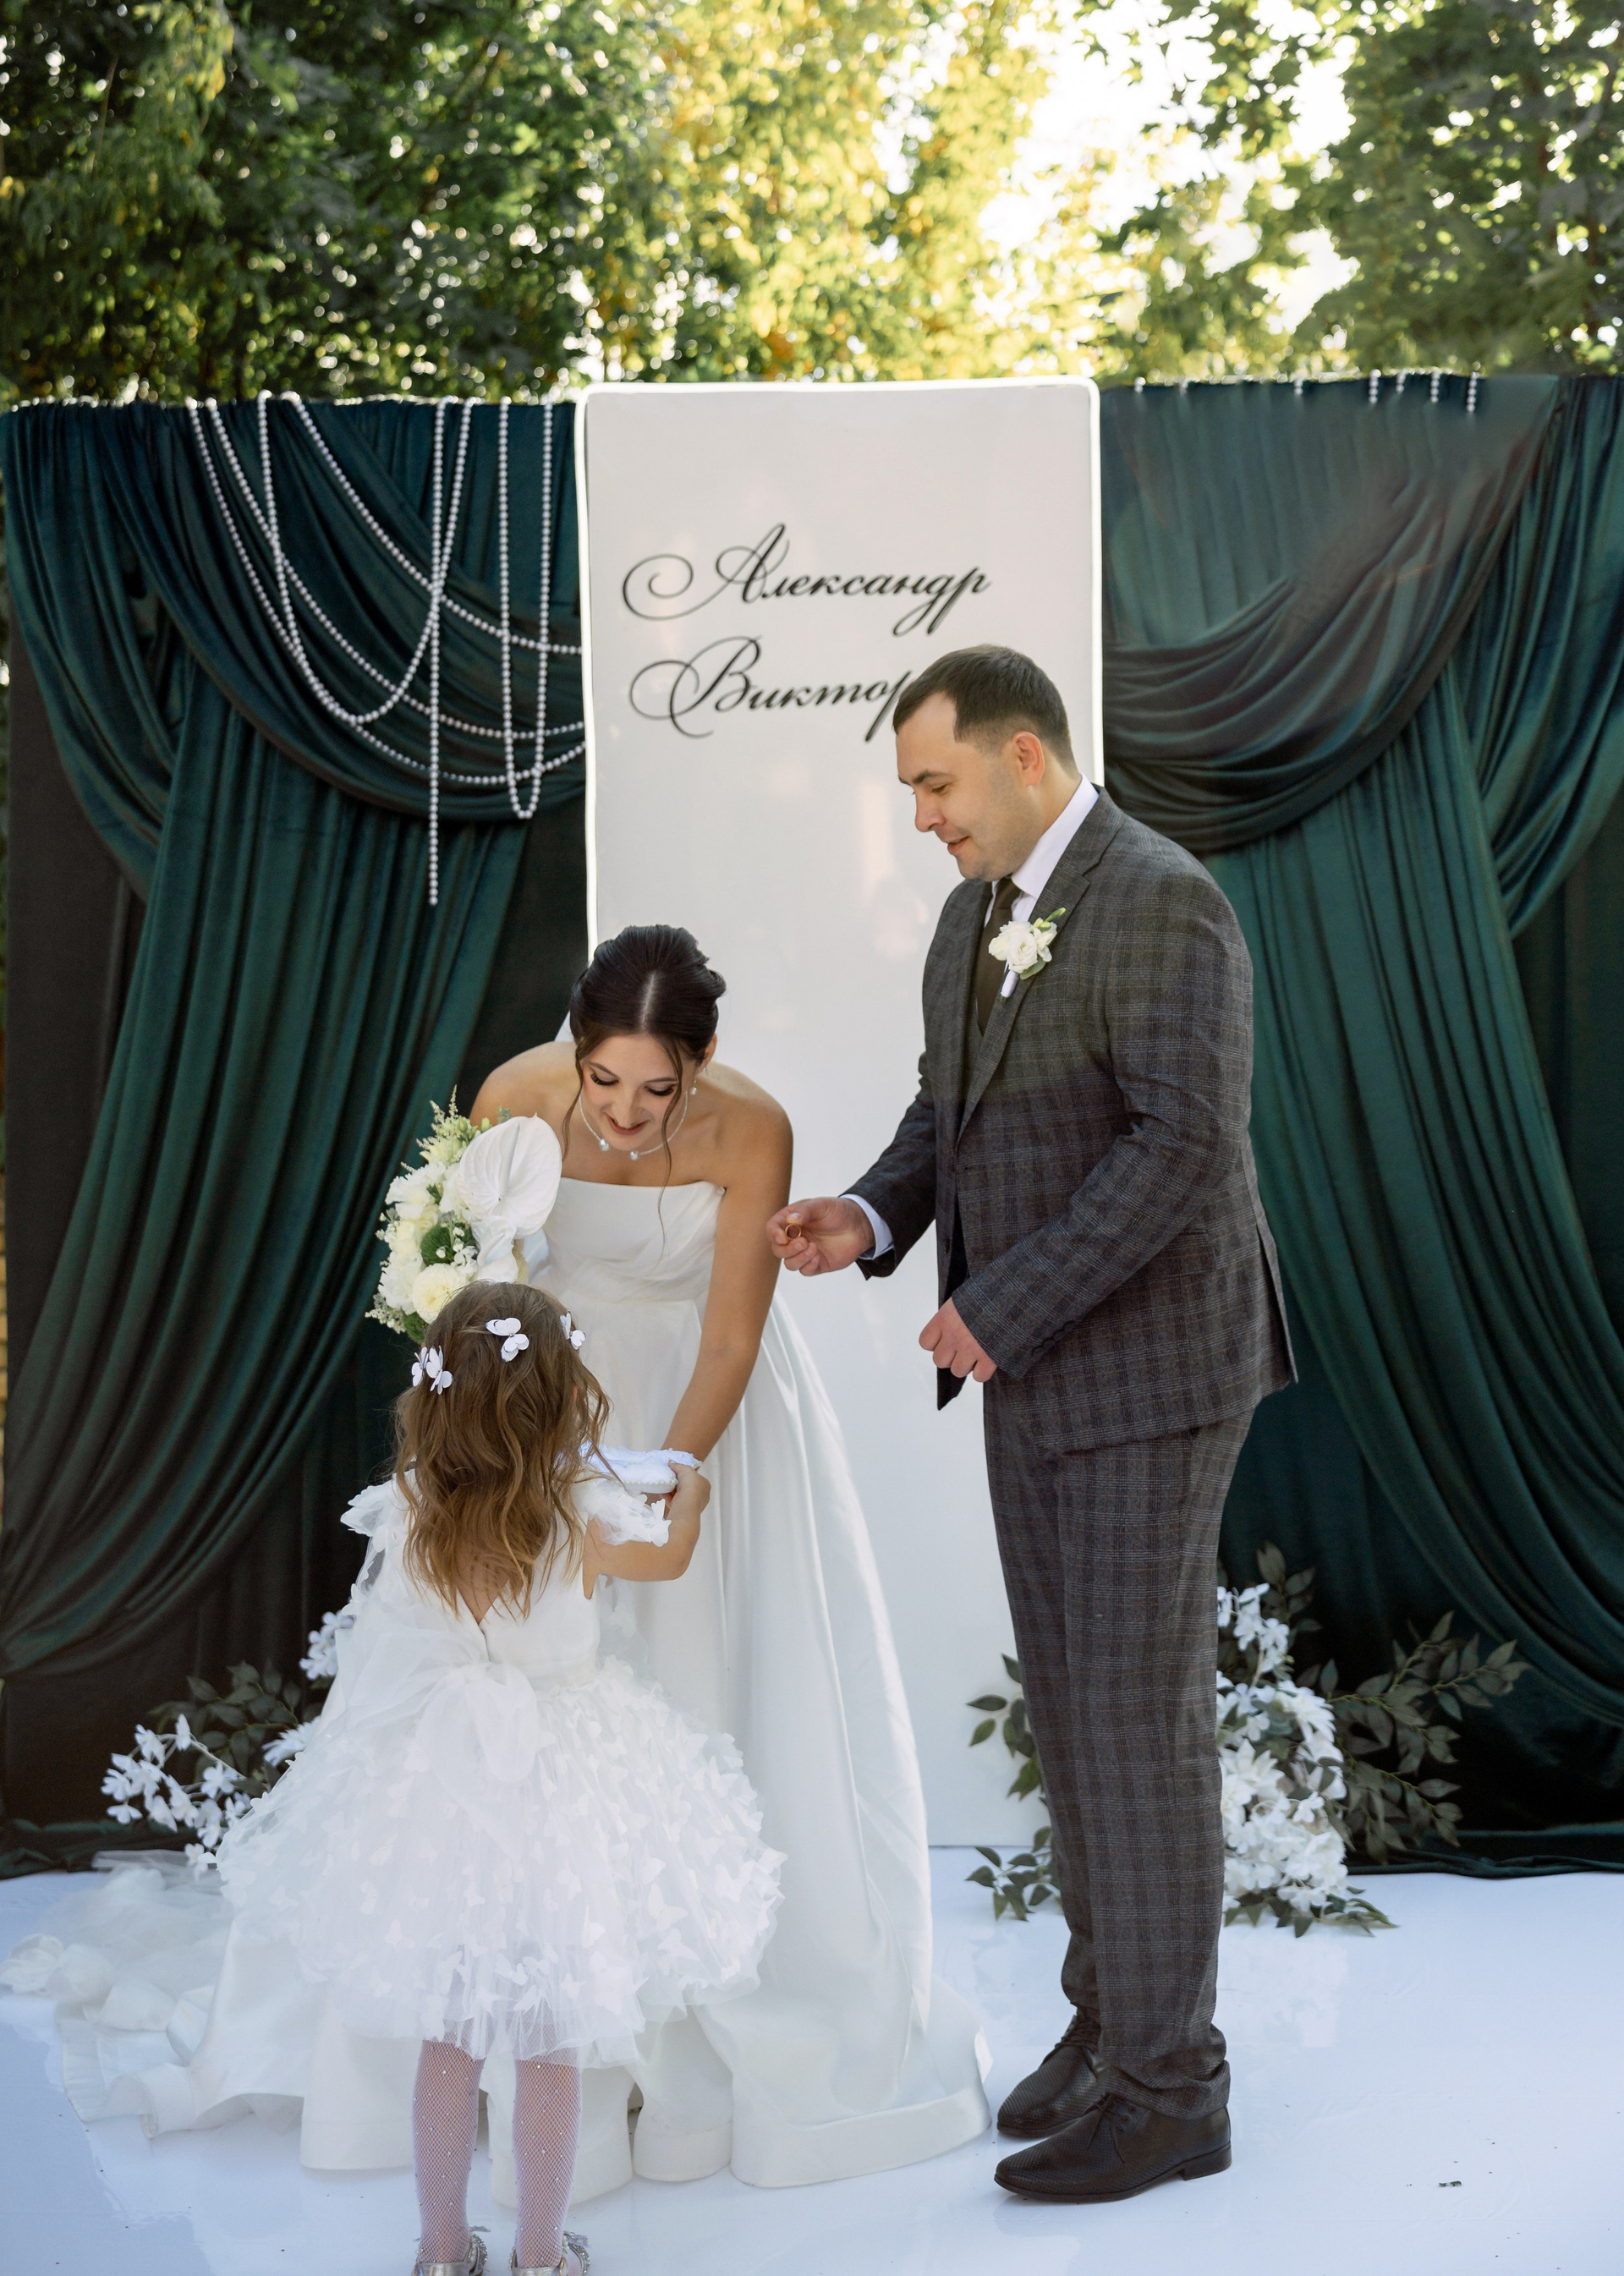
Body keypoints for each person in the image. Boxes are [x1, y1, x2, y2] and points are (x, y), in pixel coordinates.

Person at [770, 645, 1295, 2206]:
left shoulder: (1166, 899)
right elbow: (951, 1115)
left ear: (1022, 756)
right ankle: (1114, 2019)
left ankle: (1175, 2090)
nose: (921, 815)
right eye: (911, 790)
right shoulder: (970, 915)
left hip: (1152, 1377)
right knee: (1073, 1716)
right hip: (1039, 1373)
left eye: (935, 782)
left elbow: (1182, 1147)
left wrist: (1002, 1300)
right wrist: (871, 1215)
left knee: (1136, 1720)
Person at [468, 925, 989, 2191]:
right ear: (574, 1052)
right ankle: (565, 2017)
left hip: (702, 1413)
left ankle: (712, 2000)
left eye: (658, 1088)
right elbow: (481, 1294)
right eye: (604, 1080)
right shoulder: (511, 1100)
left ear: (701, 1064)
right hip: (546, 1408)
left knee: (705, 1687)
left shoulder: (755, 1130)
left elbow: (728, 1339)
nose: (625, 1112)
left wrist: (663, 1477)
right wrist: (527, 1462)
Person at [213, 1279, 782, 2276]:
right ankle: (542, 2257)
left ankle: (440, 2252)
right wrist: (689, 1490)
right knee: (548, 2043)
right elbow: (673, 1556)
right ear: (563, 1399)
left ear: (435, 1394)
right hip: (566, 1784)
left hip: (439, 1787)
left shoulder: (410, 1506)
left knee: (450, 2037)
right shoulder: (579, 1514)